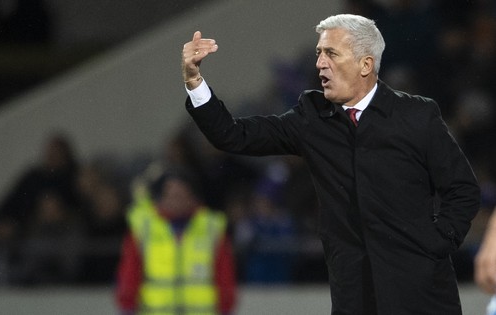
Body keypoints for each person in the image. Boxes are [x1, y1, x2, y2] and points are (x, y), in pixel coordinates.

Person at [181, 13, 480, 315]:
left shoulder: (416, 115)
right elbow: (234, 136)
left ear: (366, 64)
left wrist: (436, 244)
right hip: (355, 296)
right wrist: (195, 82)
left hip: (422, 296)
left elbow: (463, 190)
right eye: (318, 53)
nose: (320, 63)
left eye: (331, 53)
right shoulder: (312, 117)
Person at [116, 167, 236, 315]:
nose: (175, 200)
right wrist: (127, 307)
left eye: (180, 195)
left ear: (193, 196)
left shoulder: (212, 227)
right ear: (161, 197)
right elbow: (130, 272)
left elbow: (224, 274)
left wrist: (226, 308)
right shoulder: (144, 227)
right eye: (171, 195)